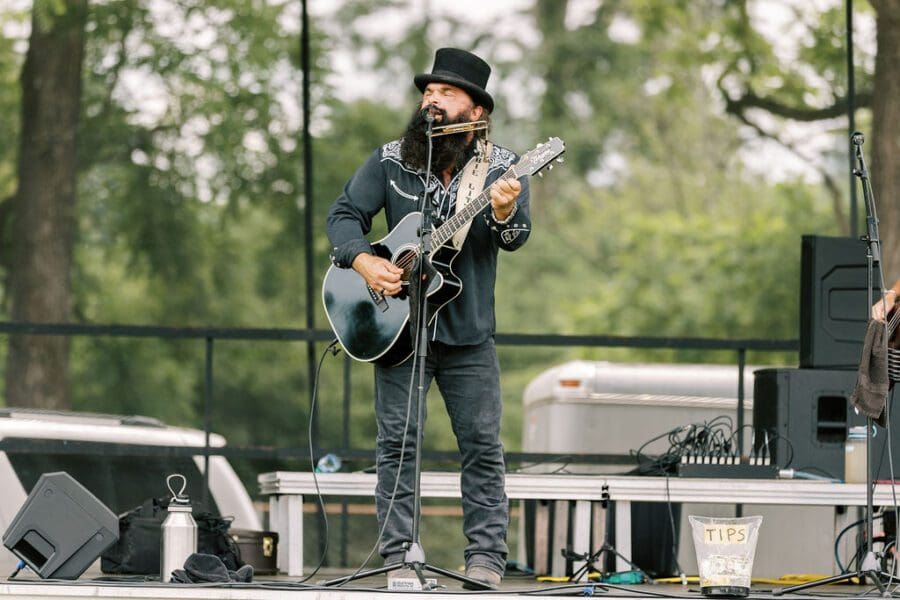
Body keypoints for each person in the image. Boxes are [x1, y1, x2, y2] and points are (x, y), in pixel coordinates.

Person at [325, 47, 531, 590]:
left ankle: (486, 560)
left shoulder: (504, 168)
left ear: (476, 110)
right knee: (397, 445)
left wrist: (505, 212)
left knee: (483, 446)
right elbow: (344, 214)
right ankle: (399, 559)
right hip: (396, 331)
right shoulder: (393, 159)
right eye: (427, 91)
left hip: (469, 336)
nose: (430, 100)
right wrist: (365, 260)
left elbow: (516, 239)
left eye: (444, 93)